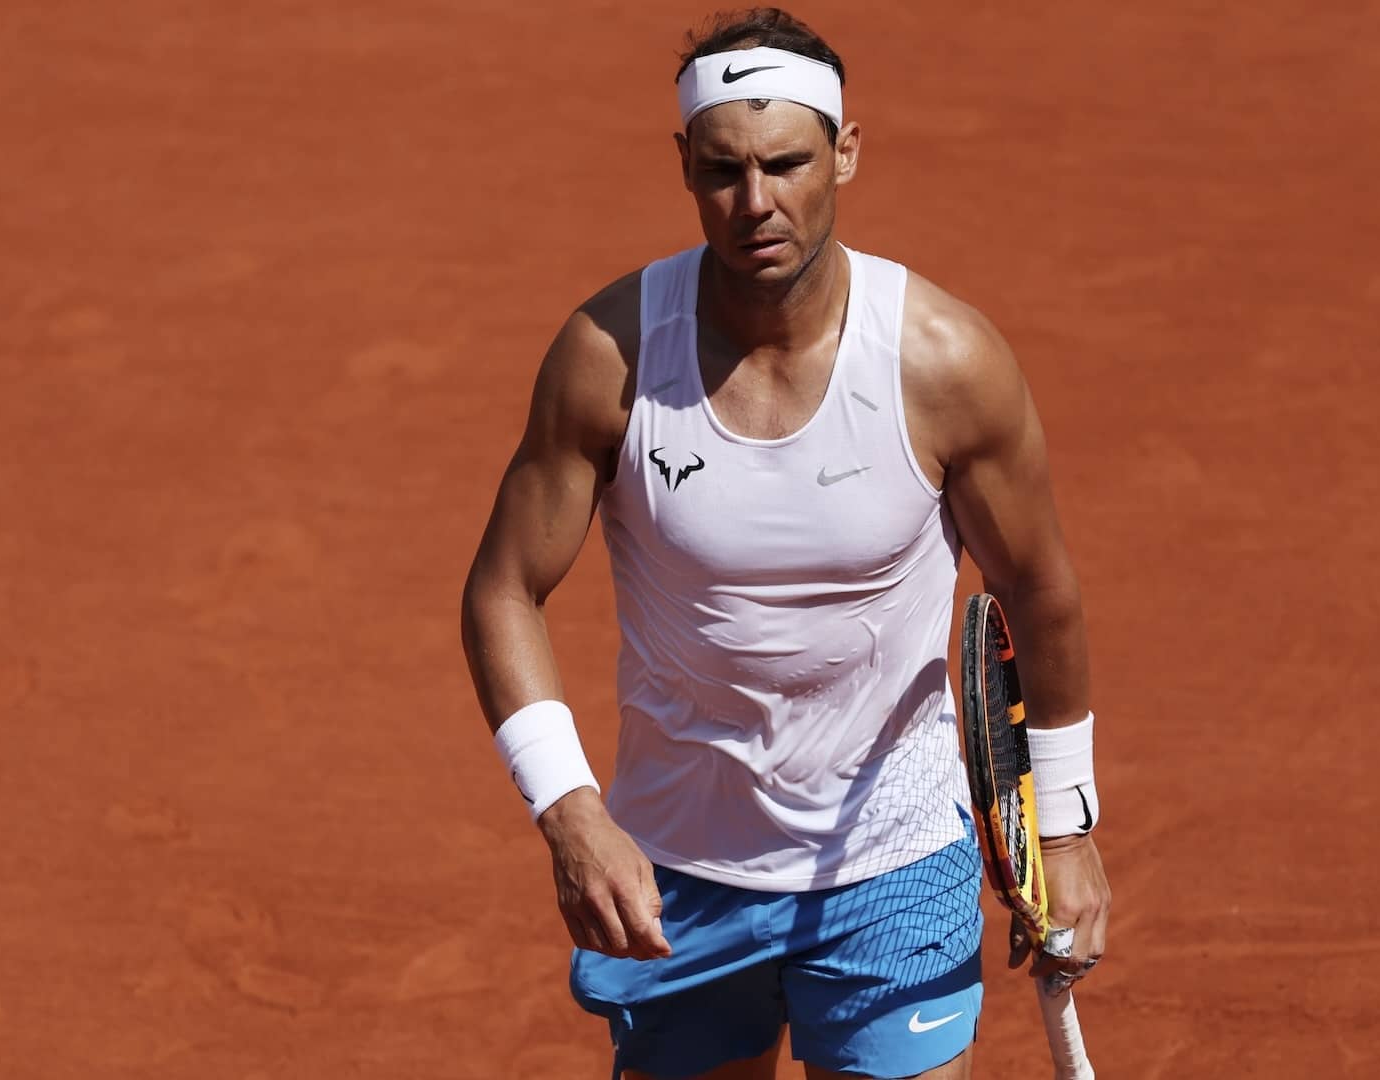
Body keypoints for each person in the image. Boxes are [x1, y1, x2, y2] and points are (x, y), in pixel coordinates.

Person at [459, 8, 1111, 1079]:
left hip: (895, 863)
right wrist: (569, 810)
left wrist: (1070, 829)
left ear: (846, 152)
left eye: (788, 163)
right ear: (683, 165)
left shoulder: (944, 365)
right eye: (722, 171)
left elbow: (1039, 591)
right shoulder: (609, 357)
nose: (756, 203)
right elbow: (502, 591)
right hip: (677, 871)